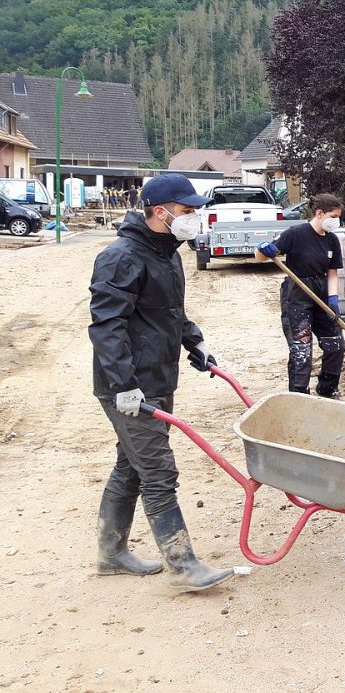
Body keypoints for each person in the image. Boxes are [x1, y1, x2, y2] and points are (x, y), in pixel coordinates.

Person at [88, 173, 233, 592]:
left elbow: (169, 312)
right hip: (130, 385)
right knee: (157, 471)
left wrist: (195, 341)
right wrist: (123, 385)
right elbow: (107, 327)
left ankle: (111, 553)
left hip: (157, 377)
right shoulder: (121, 257)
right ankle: (183, 566)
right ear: (160, 211)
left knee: (130, 466)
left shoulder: (168, 253)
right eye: (187, 211)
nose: (194, 218)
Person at [255, 193, 345, 398]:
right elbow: (260, 257)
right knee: (301, 350)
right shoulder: (295, 234)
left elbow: (332, 271)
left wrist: (333, 299)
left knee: (336, 345)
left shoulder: (332, 240)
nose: (336, 221)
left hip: (322, 293)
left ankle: (327, 389)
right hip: (297, 294)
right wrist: (263, 249)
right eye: (333, 216)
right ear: (320, 213)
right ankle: (299, 396)